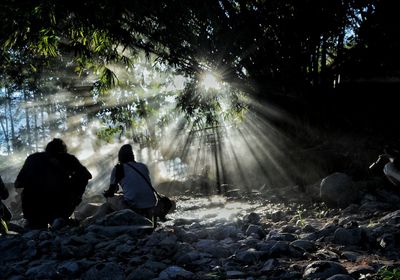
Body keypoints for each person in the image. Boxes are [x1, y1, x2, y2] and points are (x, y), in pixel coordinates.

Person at [15, 138, 92, 228]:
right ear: (63, 151)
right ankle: (59, 219)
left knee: (37, 227)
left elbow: (18, 183)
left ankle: (39, 221)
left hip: (34, 209)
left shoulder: (33, 159)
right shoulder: (68, 159)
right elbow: (86, 175)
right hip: (59, 207)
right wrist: (76, 195)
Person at [103, 144, 157, 224]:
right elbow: (140, 186)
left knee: (109, 198)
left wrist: (105, 193)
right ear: (132, 156)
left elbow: (111, 193)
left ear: (120, 157)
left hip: (133, 206)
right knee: (126, 194)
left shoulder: (118, 168)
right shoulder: (143, 166)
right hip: (151, 204)